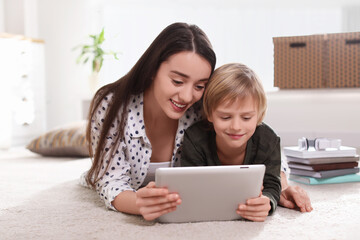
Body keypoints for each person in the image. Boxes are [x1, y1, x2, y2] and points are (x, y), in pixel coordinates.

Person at [80, 22, 312, 221]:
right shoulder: (112, 105)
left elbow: (256, 141)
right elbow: (110, 181)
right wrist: (138, 203)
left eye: (200, 85)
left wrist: (282, 187)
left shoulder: (205, 107)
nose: (187, 96)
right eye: (178, 81)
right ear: (152, 69)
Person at [181, 63, 281, 221]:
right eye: (225, 117)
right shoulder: (195, 139)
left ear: (259, 116)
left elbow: (272, 185)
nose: (236, 127)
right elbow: (189, 187)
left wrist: (267, 202)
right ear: (210, 114)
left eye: (246, 118)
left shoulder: (268, 141)